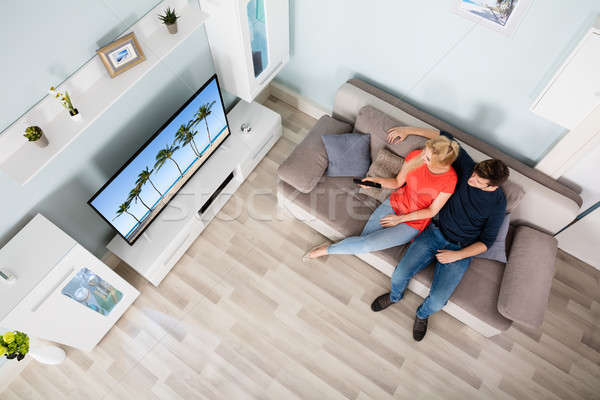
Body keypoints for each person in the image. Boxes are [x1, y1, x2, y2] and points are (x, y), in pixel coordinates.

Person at [370, 126, 509, 342]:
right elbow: (443, 138)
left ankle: (422, 314)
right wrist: (407, 130)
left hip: (460, 249)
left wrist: (458, 255)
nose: (470, 180)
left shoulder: (498, 205)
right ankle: (395, 297)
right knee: (399, 274)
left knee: (436, 302)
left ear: (491, 188)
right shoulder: (467, 167)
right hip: (434, 232)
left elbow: (486, 243)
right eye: (473, 175)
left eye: (478, 182)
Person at [304, 134, 459, 261]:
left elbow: (432, 211)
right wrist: (375, 181)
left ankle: (324, 250)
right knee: (365, 239)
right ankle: (331, 247)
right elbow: (397, 182)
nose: (423, 157)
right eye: (426, 152)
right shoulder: (416, 156)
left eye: (428, 158)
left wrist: (400, 219)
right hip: (395, 203)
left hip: (413, 222)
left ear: (440, 165)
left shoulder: (450, 179)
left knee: (365, 245)